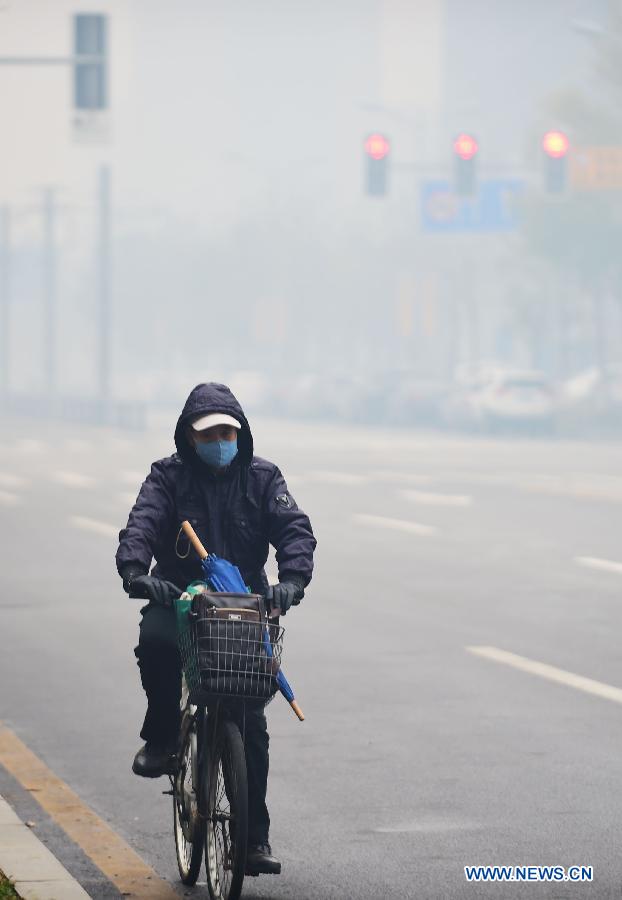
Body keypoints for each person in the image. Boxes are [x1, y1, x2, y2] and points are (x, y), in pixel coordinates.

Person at [116, 382, 316, 875]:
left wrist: (290, 581)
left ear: (240, 432)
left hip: (241, 603)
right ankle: (163, 736)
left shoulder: (264, 478)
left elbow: (295, 532)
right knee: (156, 643)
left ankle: (252, 840)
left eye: (228, 431)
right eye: (209, 434)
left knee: (252, 725)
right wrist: (135, 571)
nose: (220, 440)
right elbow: (141, 523)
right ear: (189, 437)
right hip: (179, 595)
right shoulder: (167, 477)